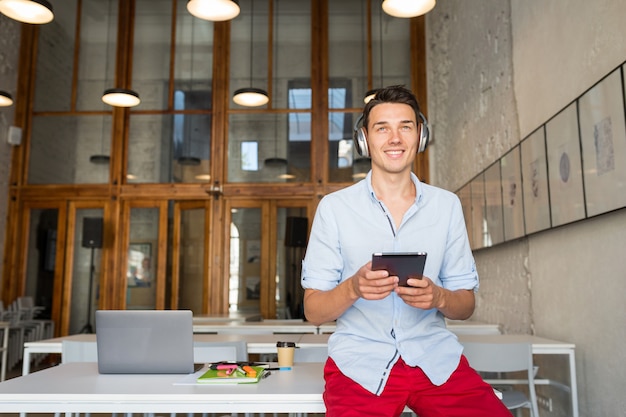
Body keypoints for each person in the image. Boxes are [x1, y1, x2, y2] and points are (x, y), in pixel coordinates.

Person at [301, 85, 511, 417]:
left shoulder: (447, 206)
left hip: (435, 360)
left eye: (406, 126)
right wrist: (353, 288)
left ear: (420, 136)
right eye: (382, 128)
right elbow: (313, 310)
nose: (395, 138)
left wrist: (439, 297)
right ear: (364, 141)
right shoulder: (334, 209)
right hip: (359, 364)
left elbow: (465, 304)